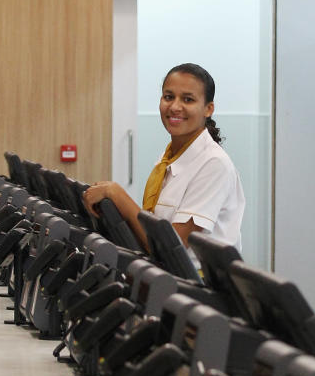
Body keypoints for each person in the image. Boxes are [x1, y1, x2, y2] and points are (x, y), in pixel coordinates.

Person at [83, 63, 245, 252]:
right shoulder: (167, 158)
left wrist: (117, 194)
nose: (175, 107)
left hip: (197, 279)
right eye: (169, 97)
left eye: (188, 99)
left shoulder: (214, 164)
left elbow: (172, 247)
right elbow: (154, 233)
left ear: (208, 109)